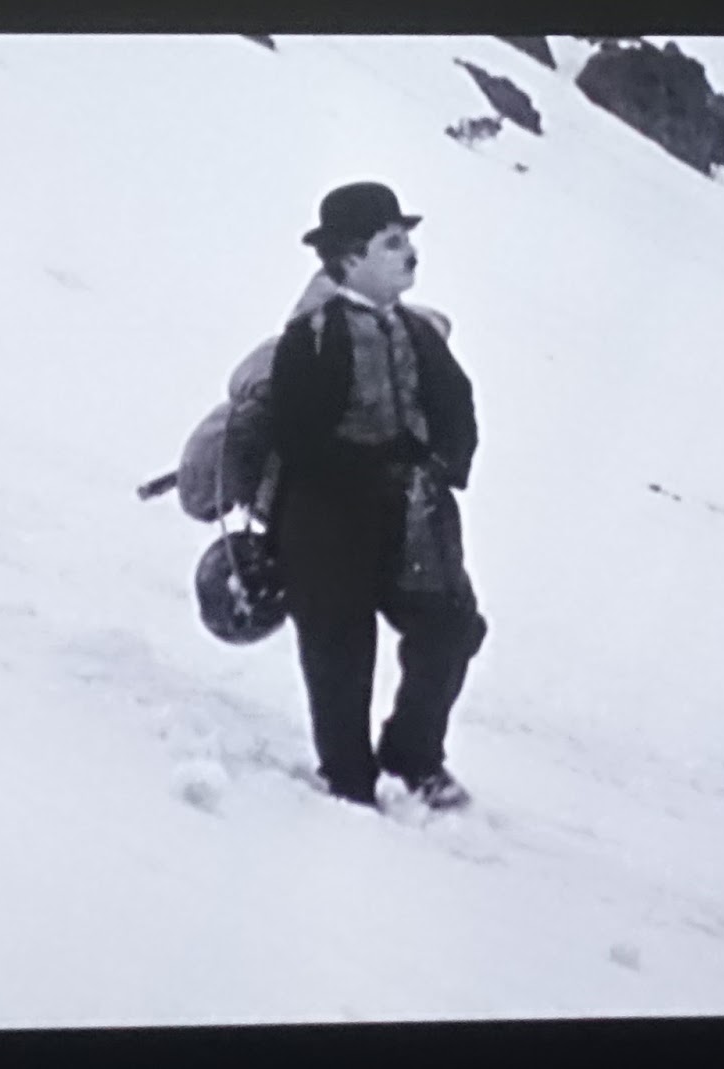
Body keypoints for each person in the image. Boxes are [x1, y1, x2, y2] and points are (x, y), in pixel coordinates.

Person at [267, 181, 488, 811]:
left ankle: (414, 752)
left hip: (413, 517)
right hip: (326, 524)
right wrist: (371, 468)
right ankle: (348, 782)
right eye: (391, 243)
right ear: (350, 257)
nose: (409, 253)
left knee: (451, 626)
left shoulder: (419, 332)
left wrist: (440, 467)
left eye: (405, 239)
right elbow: (296, 437)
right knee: (339, 649)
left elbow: (458, 409)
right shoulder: (312, 337)